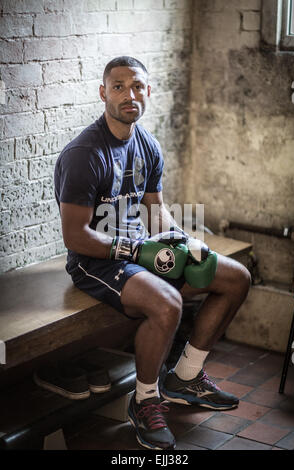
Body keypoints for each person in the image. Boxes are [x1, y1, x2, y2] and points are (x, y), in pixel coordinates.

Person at [54, 56, 251, 450]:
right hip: (97, 261)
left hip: (140, 253)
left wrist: (184, 242)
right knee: (168, 303)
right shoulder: (84, 154)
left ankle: (185, 377)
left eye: (138, 86)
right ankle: (144, 400)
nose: (130, 94)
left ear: (148, 91)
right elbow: (75, 237)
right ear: (103, 93)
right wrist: (135, 248)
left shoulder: (147, 144)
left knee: (234, 277)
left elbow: (155, 213)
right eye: (119, 86)